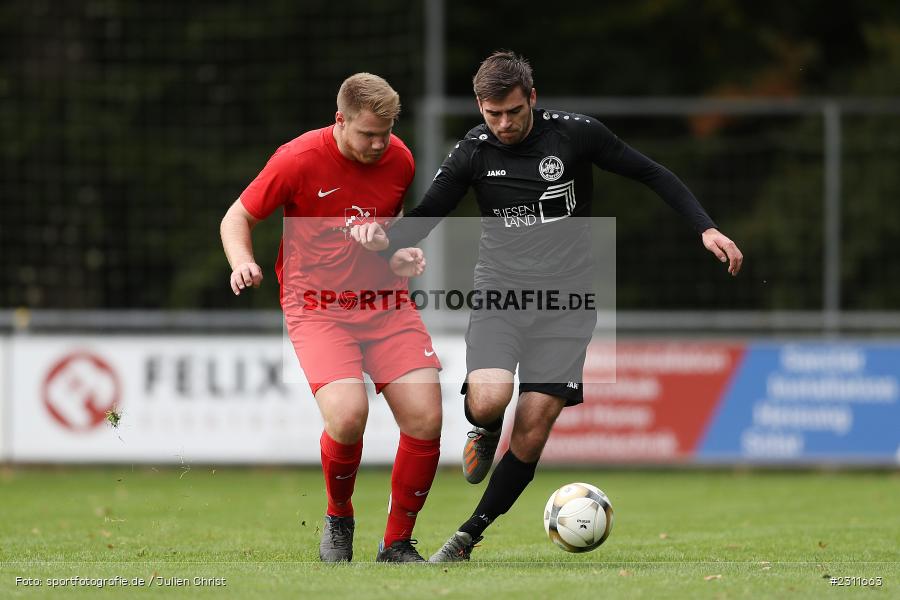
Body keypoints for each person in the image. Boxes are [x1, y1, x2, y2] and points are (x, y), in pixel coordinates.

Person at [354, 51, 743, 562]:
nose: (504, 123)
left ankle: (467, 536)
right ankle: (485, 427)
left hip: (567, 305)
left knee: (533, 427)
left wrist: (706, 227)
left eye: (514, 111)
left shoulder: (575, 135)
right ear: (480, 107)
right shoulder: (473, 151)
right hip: (500, 295)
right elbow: (427, 215)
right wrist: (382, 238)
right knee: (489, 401)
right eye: (493, 114)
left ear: (532, 98)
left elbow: (651, 173)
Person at [219, 73, 443, 563]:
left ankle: (397, 544)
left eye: (386, 132)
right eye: (368, 134)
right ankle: (339, 516)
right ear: (340, 120)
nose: (379, 144)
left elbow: (390, 238)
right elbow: (236, 217)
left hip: (384, 303)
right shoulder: (297, 159)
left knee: (426, 418)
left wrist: (398, 254)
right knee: (347, 416)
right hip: (318, 308)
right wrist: (242, 261)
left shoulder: (400, 159)